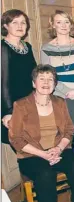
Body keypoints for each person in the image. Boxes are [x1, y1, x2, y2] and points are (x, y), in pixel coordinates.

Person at [9, 65, 74, 202]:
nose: (46, 83)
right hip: (31, 154)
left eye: (50, 79)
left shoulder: (59, 102)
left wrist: (59, 148)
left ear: (55, 84)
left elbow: (69, 129)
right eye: (42, 79)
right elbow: (16, 138)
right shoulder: (21, 105)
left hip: (58, 149)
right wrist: (43, 154)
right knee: (45, 175)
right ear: (34, 83)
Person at [40, 10, 74, 124]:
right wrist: (67, 92)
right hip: (59, 96)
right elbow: (48, 76)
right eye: (59, 22)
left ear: (71, 24)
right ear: (53, 25)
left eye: (66, 22)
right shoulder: (46, 49)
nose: (63, 25)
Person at [1, 9, 37, 148]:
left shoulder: (27, 46)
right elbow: (3, 84)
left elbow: (34, 76)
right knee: (25, 149)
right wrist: (9, 112)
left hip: (29, 104)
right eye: (14, 22)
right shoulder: (3, 48)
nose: (20, 26)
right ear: (5, 26)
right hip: (12, 106)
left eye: (23, 22)